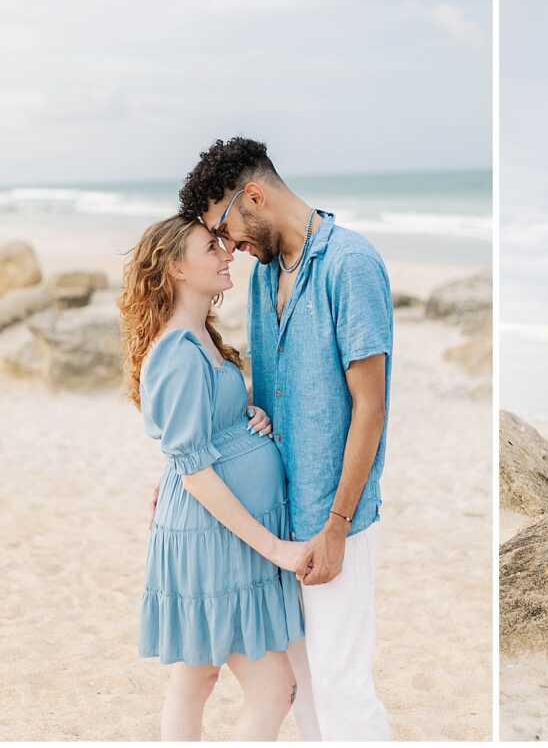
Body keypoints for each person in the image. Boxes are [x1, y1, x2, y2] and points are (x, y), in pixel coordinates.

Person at [177, 137, 392, 740]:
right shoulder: (263, 278)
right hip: (277, 520)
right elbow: (262, 401)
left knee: (343, 683)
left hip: (333, 515)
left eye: (228, 230)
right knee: (307, 691)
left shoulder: (350, 263)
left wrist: (338, 525)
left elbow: (370, 409)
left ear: (254, 196)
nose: (231, 249)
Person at [120, 215, 308, 740]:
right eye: (212, 247)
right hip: (213, 534)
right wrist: (275, 548)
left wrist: (249, 420)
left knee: (196, 676)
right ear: (176, 268)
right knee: (275, 689)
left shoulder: (200, 335)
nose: (228, 254)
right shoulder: (177, 351)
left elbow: (202, 432)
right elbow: (195, 470)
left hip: (219, 531)